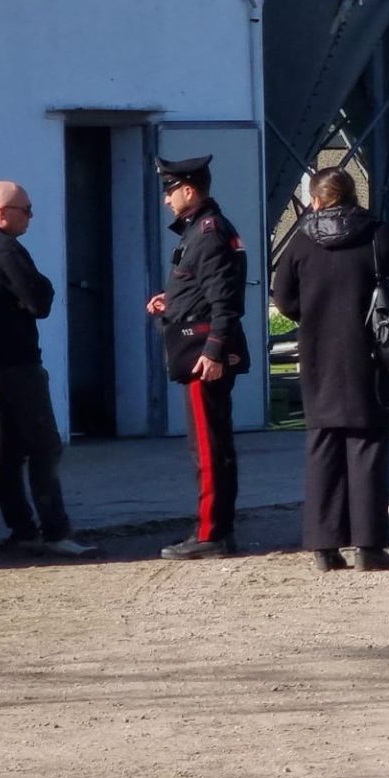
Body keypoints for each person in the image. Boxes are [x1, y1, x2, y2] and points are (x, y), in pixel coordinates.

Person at [272, 168, 389, 572]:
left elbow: (284, 299)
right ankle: (369, 548)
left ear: (316, 200)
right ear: (353, 195)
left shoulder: (301, 242)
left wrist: (315, 314)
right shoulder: (379, 235)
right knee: (367, 446)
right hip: (369, 353)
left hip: (319, 354)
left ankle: (324, 547)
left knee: (322, 446)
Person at [0, 181, 99, 558]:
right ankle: (55, 530)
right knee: (44, 446)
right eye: (26, 210)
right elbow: (40, 300)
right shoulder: (6, 250)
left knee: (8, 452)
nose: (32, 217)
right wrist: (38, 293)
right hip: (19, 366)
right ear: (2, 212)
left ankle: (22, 528)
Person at [148, 155, 250, 559]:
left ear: (189, 190)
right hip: (198, 347)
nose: (166, 200)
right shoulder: (197, 232)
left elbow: (224, 301)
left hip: (202, 355)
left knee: (208, 447)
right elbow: (201, 290)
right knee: (213, 443)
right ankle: (215, 527)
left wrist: (213, 350)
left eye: (170, 191)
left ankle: (211, 533)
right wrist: (169, 301)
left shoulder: (207, 234)